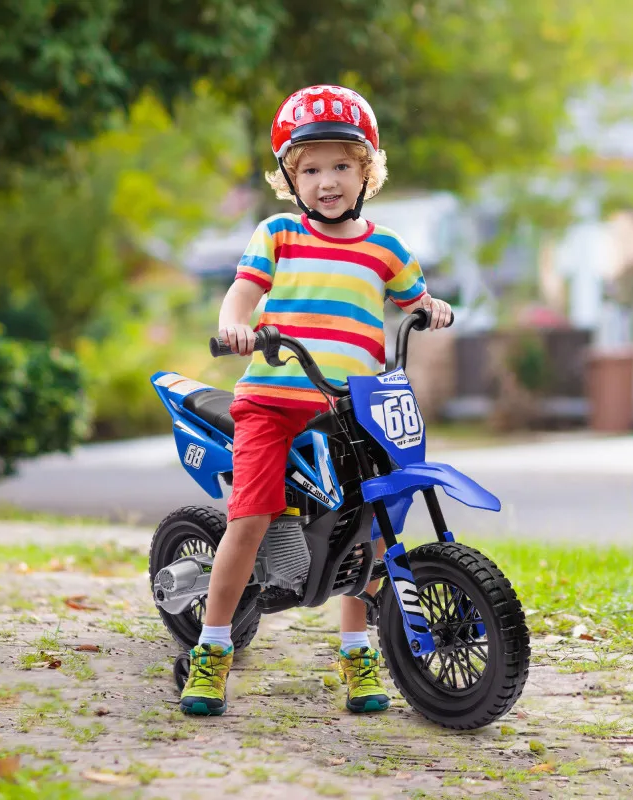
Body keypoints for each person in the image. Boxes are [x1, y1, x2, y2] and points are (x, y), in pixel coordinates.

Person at [179, 85, 452, 716]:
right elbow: (242, 294)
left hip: (355, 405)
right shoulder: (278, 233)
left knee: (375, 524)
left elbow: (415, 301)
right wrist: (236, 325)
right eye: (310, 169)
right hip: (274, 401)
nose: (326, 182)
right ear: (289, 177)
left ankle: (358, 654)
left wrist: (429, 309)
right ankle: (212, 651)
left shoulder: (386, 247)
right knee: (248, 519)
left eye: (340, 166)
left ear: (366, 171)